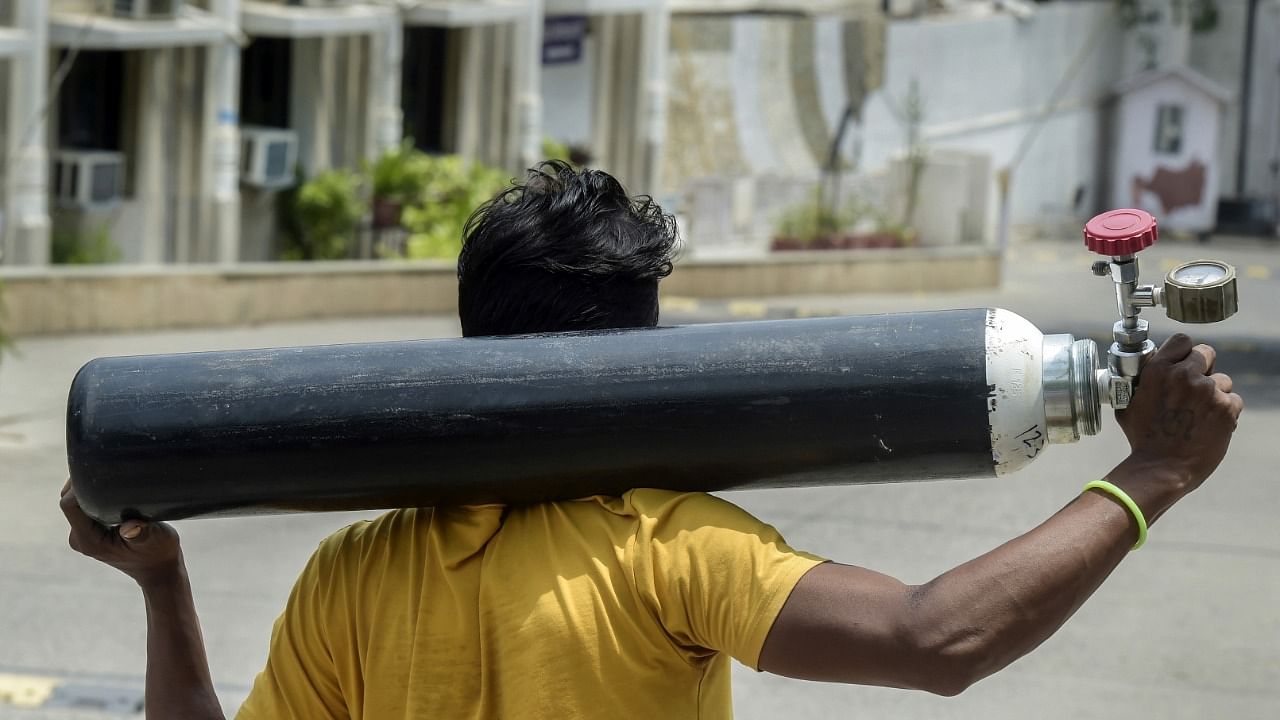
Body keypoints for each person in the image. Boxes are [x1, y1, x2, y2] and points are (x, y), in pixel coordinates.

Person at [61, 162, 1245, 719]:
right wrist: (1148, 479)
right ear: (639, 357)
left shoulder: (352, 576)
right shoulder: (663, 547)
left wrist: (164, 589)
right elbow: (936, 640)